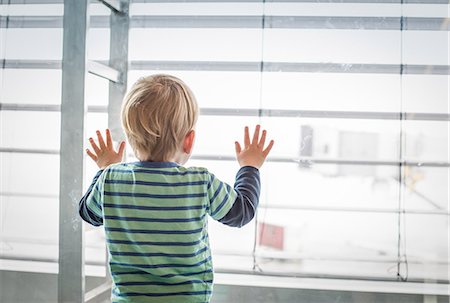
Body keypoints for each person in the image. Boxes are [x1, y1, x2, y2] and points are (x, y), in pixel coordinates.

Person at [79, 74, 274, 303]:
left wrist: (105, 168)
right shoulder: (200, 182)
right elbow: (241, 212)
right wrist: (250, 167)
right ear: (189, 140)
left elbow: (88, 214)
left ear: (130, 138)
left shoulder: (111, 178)